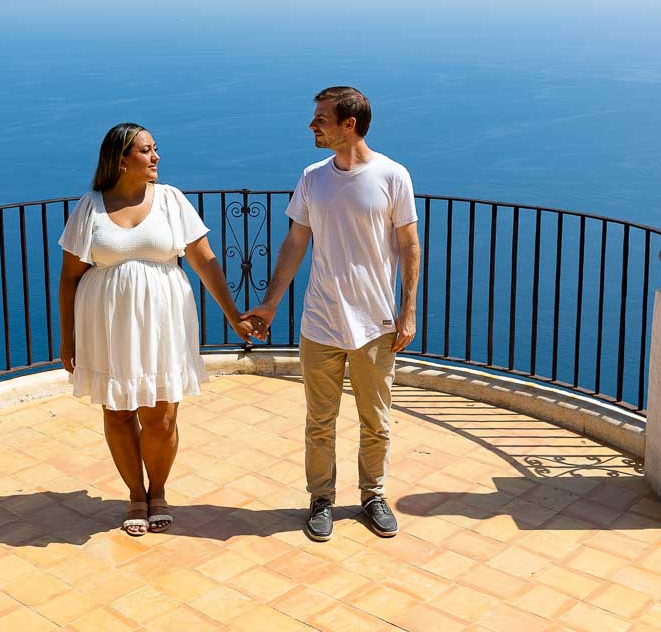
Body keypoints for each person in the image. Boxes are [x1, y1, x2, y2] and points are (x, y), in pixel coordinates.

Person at [243, 86, 420, 542]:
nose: (312, 125)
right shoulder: (312, 177)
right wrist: (270, 301)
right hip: (320, 321)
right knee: (318, 421)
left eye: (321, 118)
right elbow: (295, 242)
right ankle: (321, 500)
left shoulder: (392, 176)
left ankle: (372, 495)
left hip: (375, 323)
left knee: (375, 421)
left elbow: (408, 245)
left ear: (350, 125)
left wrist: (409, 310)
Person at [58, 123, 252, 536]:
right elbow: (70, 277)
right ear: (122, 159)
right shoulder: (90, 206)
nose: (156, 157)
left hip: (164, 322)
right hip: (108, 323)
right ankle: (135, 493)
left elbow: (204, 260)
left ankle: (158, 490)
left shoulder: (170, 200)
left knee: (161, 415)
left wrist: (234, 315)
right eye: (147, 151)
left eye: (155, 149)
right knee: (119, 410)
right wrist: (67, 338)